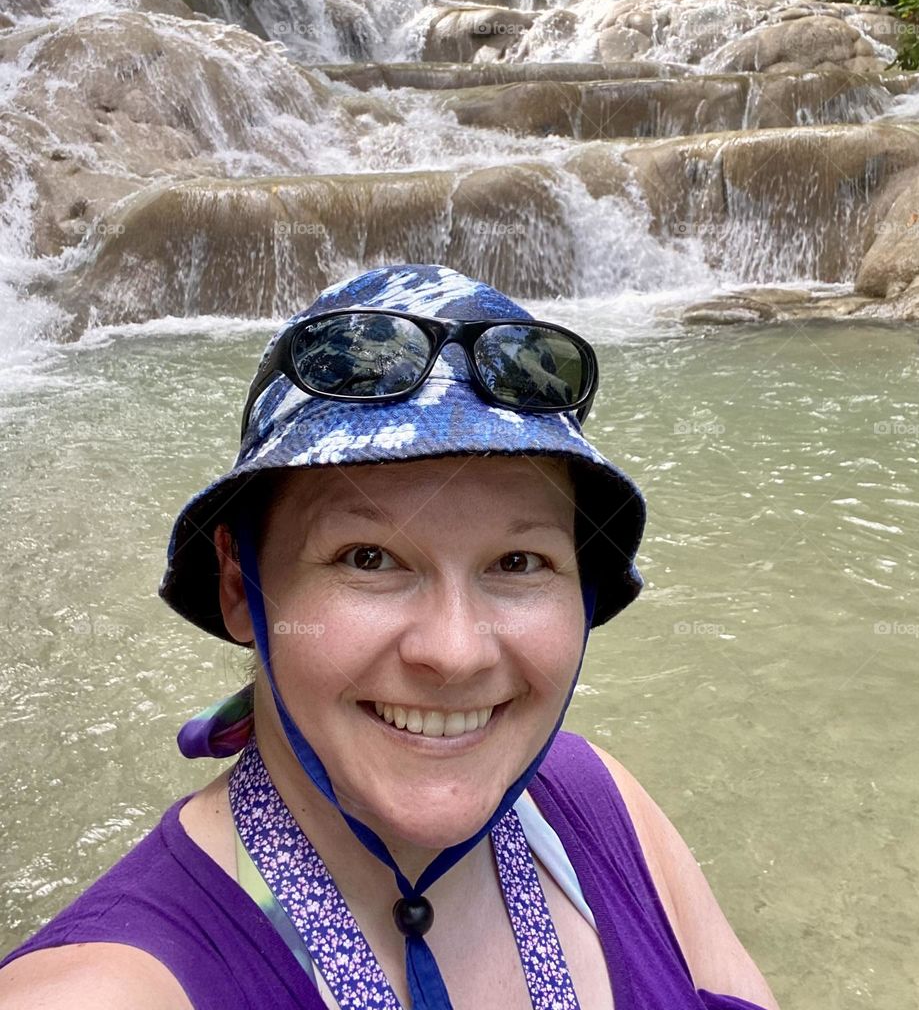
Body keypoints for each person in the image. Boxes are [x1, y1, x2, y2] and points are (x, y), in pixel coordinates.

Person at [0, 263, 780, 1010]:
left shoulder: (604, 805)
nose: (456, 651)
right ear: (242, 586)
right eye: (367, 558)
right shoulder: (106, 987)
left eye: (519, 561)